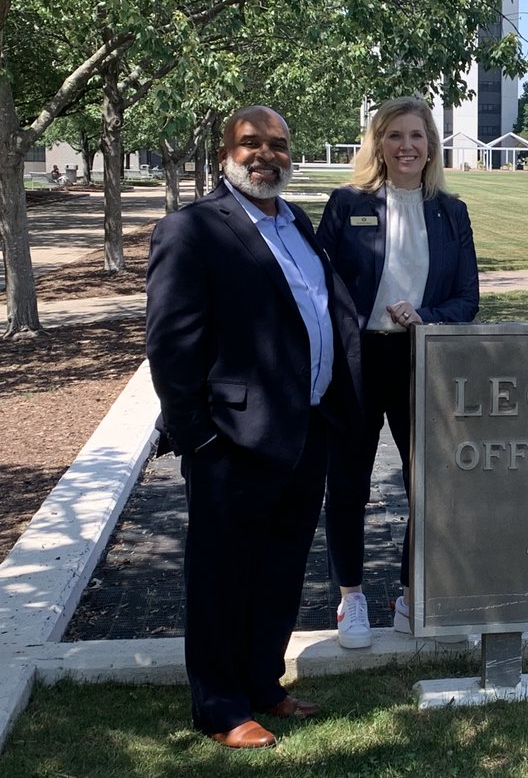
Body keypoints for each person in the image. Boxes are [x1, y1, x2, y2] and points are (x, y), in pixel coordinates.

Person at [145, 106, 363, 748]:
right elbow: (171, 346)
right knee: (222, 577)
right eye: (250, 143)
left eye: (278, 144)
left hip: (304, 431)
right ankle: (219, 708)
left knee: (281, 568)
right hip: (231, 440)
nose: (266, 154)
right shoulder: (191, 230)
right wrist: (199, 437)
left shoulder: (296, 221)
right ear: (225, 155)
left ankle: (264, 684)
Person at [316, 96, 479, 647]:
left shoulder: (451, 212)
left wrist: (424, 315)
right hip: (357, 362)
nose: (406, 146)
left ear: (431, 145)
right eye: (394, 136)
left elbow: (467, 300)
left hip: (421, 358)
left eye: (416, 135)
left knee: (427, 484)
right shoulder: (347, 204)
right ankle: (351, 598)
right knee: (348, 484)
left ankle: (412, 596)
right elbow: (319, 286)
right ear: (378, 145)